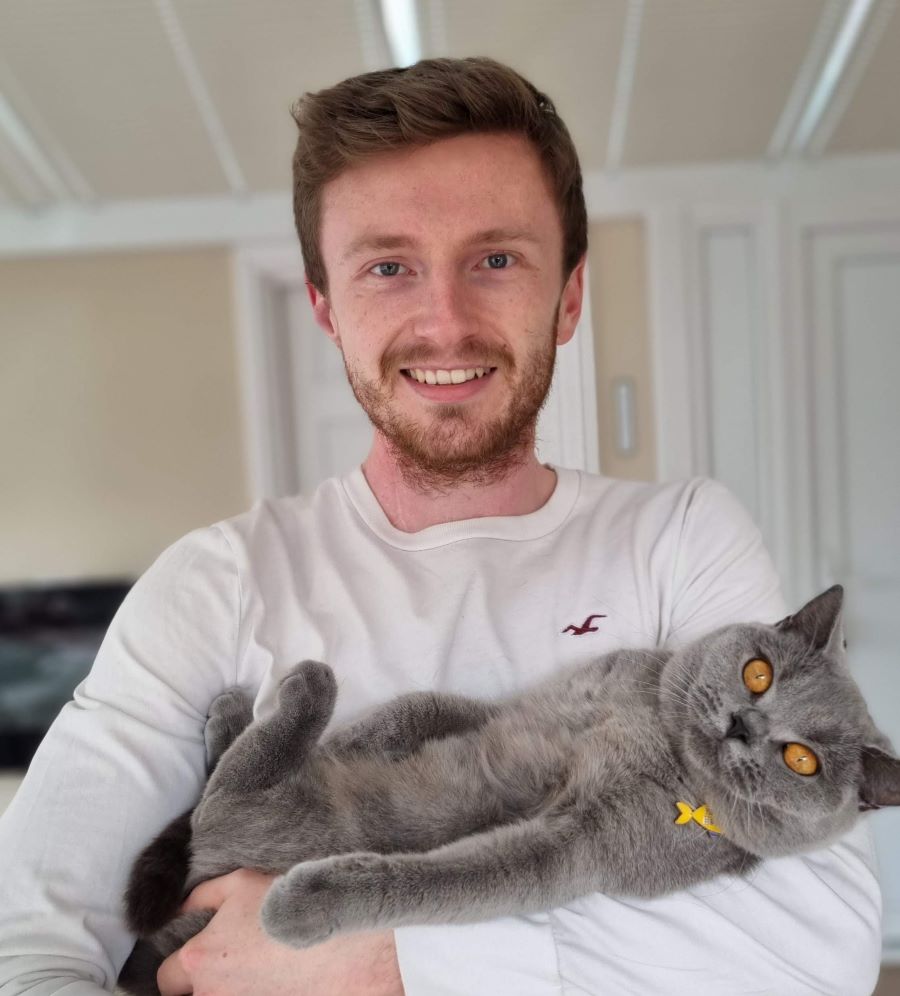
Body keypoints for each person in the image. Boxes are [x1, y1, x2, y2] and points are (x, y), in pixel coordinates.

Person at [0, 57, 883, 996]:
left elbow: (817, 940)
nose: (446, 321)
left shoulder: (680, 538)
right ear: (327, 311)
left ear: (569, 296)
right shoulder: (216, 580)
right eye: (389, 267)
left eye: (496, 259)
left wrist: (389, 953)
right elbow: (32, 941)